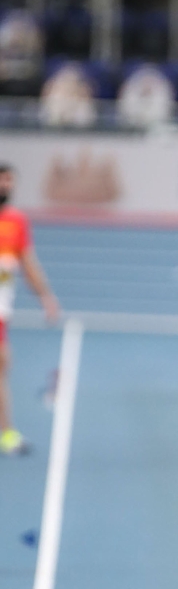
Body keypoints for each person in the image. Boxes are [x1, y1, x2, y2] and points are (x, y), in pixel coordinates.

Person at [0, 165, 60, 455]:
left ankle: (7, 434)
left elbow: (28, 264)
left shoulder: (16, 222)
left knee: (2, 366)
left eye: (9, 180)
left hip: (1, 309)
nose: (5, 184)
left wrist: (45, 297)